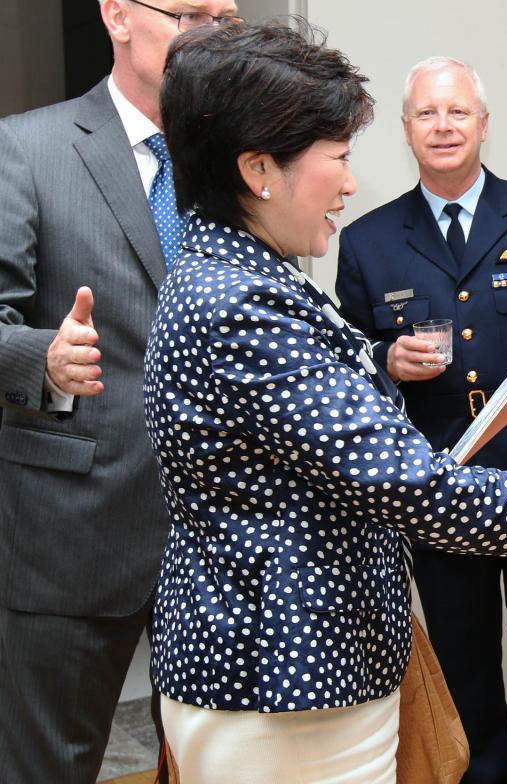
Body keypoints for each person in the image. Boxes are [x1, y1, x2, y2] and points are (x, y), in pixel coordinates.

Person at [146, 21, 507, 783]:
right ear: (260, 168)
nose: (351, 181)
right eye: (337, 156)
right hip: (286, 674)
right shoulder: (242, 301)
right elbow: (414, 486)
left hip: (304, 664)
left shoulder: (247, 276)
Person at [335, 56, 507, 783]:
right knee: (464, 670)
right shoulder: (367, 242)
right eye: (427, 114)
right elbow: (348, 370)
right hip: (438, 488)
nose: (443, 126)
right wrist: (384, 358)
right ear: (405, 131)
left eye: (458, 111)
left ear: (484, 125)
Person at [0, 1, 240, 780]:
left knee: (218, 763)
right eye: (189, 12)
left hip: (218, 535)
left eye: (224, 16)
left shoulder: (242, 161)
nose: (209, 30)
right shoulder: (27, 149)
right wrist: (42, 356)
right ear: (116, 16)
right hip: (78, 532)